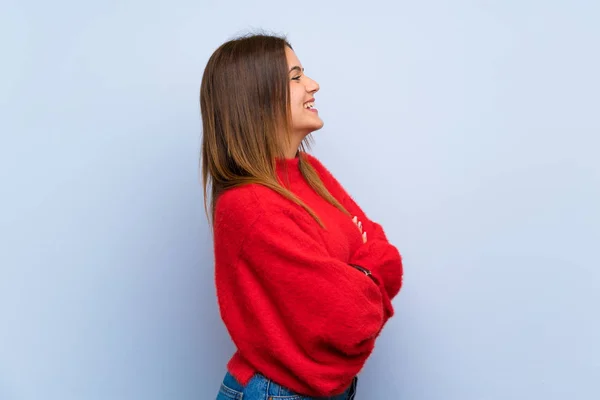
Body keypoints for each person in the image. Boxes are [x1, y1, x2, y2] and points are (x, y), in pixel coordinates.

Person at [200, 33, 404, 400]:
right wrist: (363, 275)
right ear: (258, 95)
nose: (313, 85)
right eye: (296, 77)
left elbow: (385, 251)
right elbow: (350, 317)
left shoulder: (309, 171)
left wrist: (358, 276)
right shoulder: (250, 205)